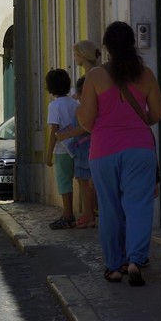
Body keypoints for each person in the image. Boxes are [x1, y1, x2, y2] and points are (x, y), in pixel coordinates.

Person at [79, 20, 161, 286]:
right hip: (139, 149)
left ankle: (114, 266)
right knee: (139, 206)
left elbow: (86, 120)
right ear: (132, 44)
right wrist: (135, 124)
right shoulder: (146, 75)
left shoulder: (95, 77)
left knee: (110, 209)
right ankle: (136, 260)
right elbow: (158, 113)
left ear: (106, 47)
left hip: (103, 150)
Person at [45, 68, 79, 229]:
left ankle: (67, 214)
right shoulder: (75, 102)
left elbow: (54, 130)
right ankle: (86, 213)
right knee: (83, 181)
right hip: (78, 146)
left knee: (65, 183)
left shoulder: (54, 106)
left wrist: (48, 153)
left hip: (62, 148)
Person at [70, 40, 99, 228]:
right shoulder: (92, 75)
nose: (74, 57)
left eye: (76, 54)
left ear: (82, 55)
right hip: (91, 135)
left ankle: (90, 215)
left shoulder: (91, 77)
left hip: (92, 136)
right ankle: (89, 214)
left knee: (89, 181)